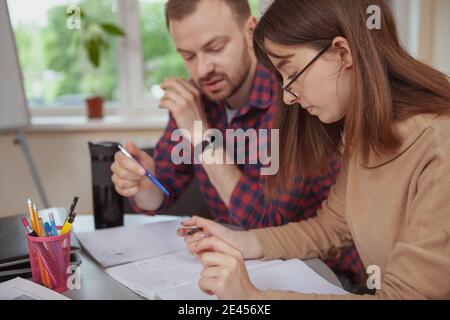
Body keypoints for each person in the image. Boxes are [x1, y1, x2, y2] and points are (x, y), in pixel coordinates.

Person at [178, 0, 450, 300]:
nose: (288, 96)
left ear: (342, 53)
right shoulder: (361, 132)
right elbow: (331, 228)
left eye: (291, 73)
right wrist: (240, 241)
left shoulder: (440, 147)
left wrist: (253, 299)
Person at [110, 0, 365, 286]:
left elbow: (267, 223)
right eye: (188, 56)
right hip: (242, 264)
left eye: (215, 48)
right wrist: (143, 183)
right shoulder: (196, 100)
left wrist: (202, 135)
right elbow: (161, 193)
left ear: (250, 32)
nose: (203, 69)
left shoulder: (293, 95)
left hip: (322, 273)